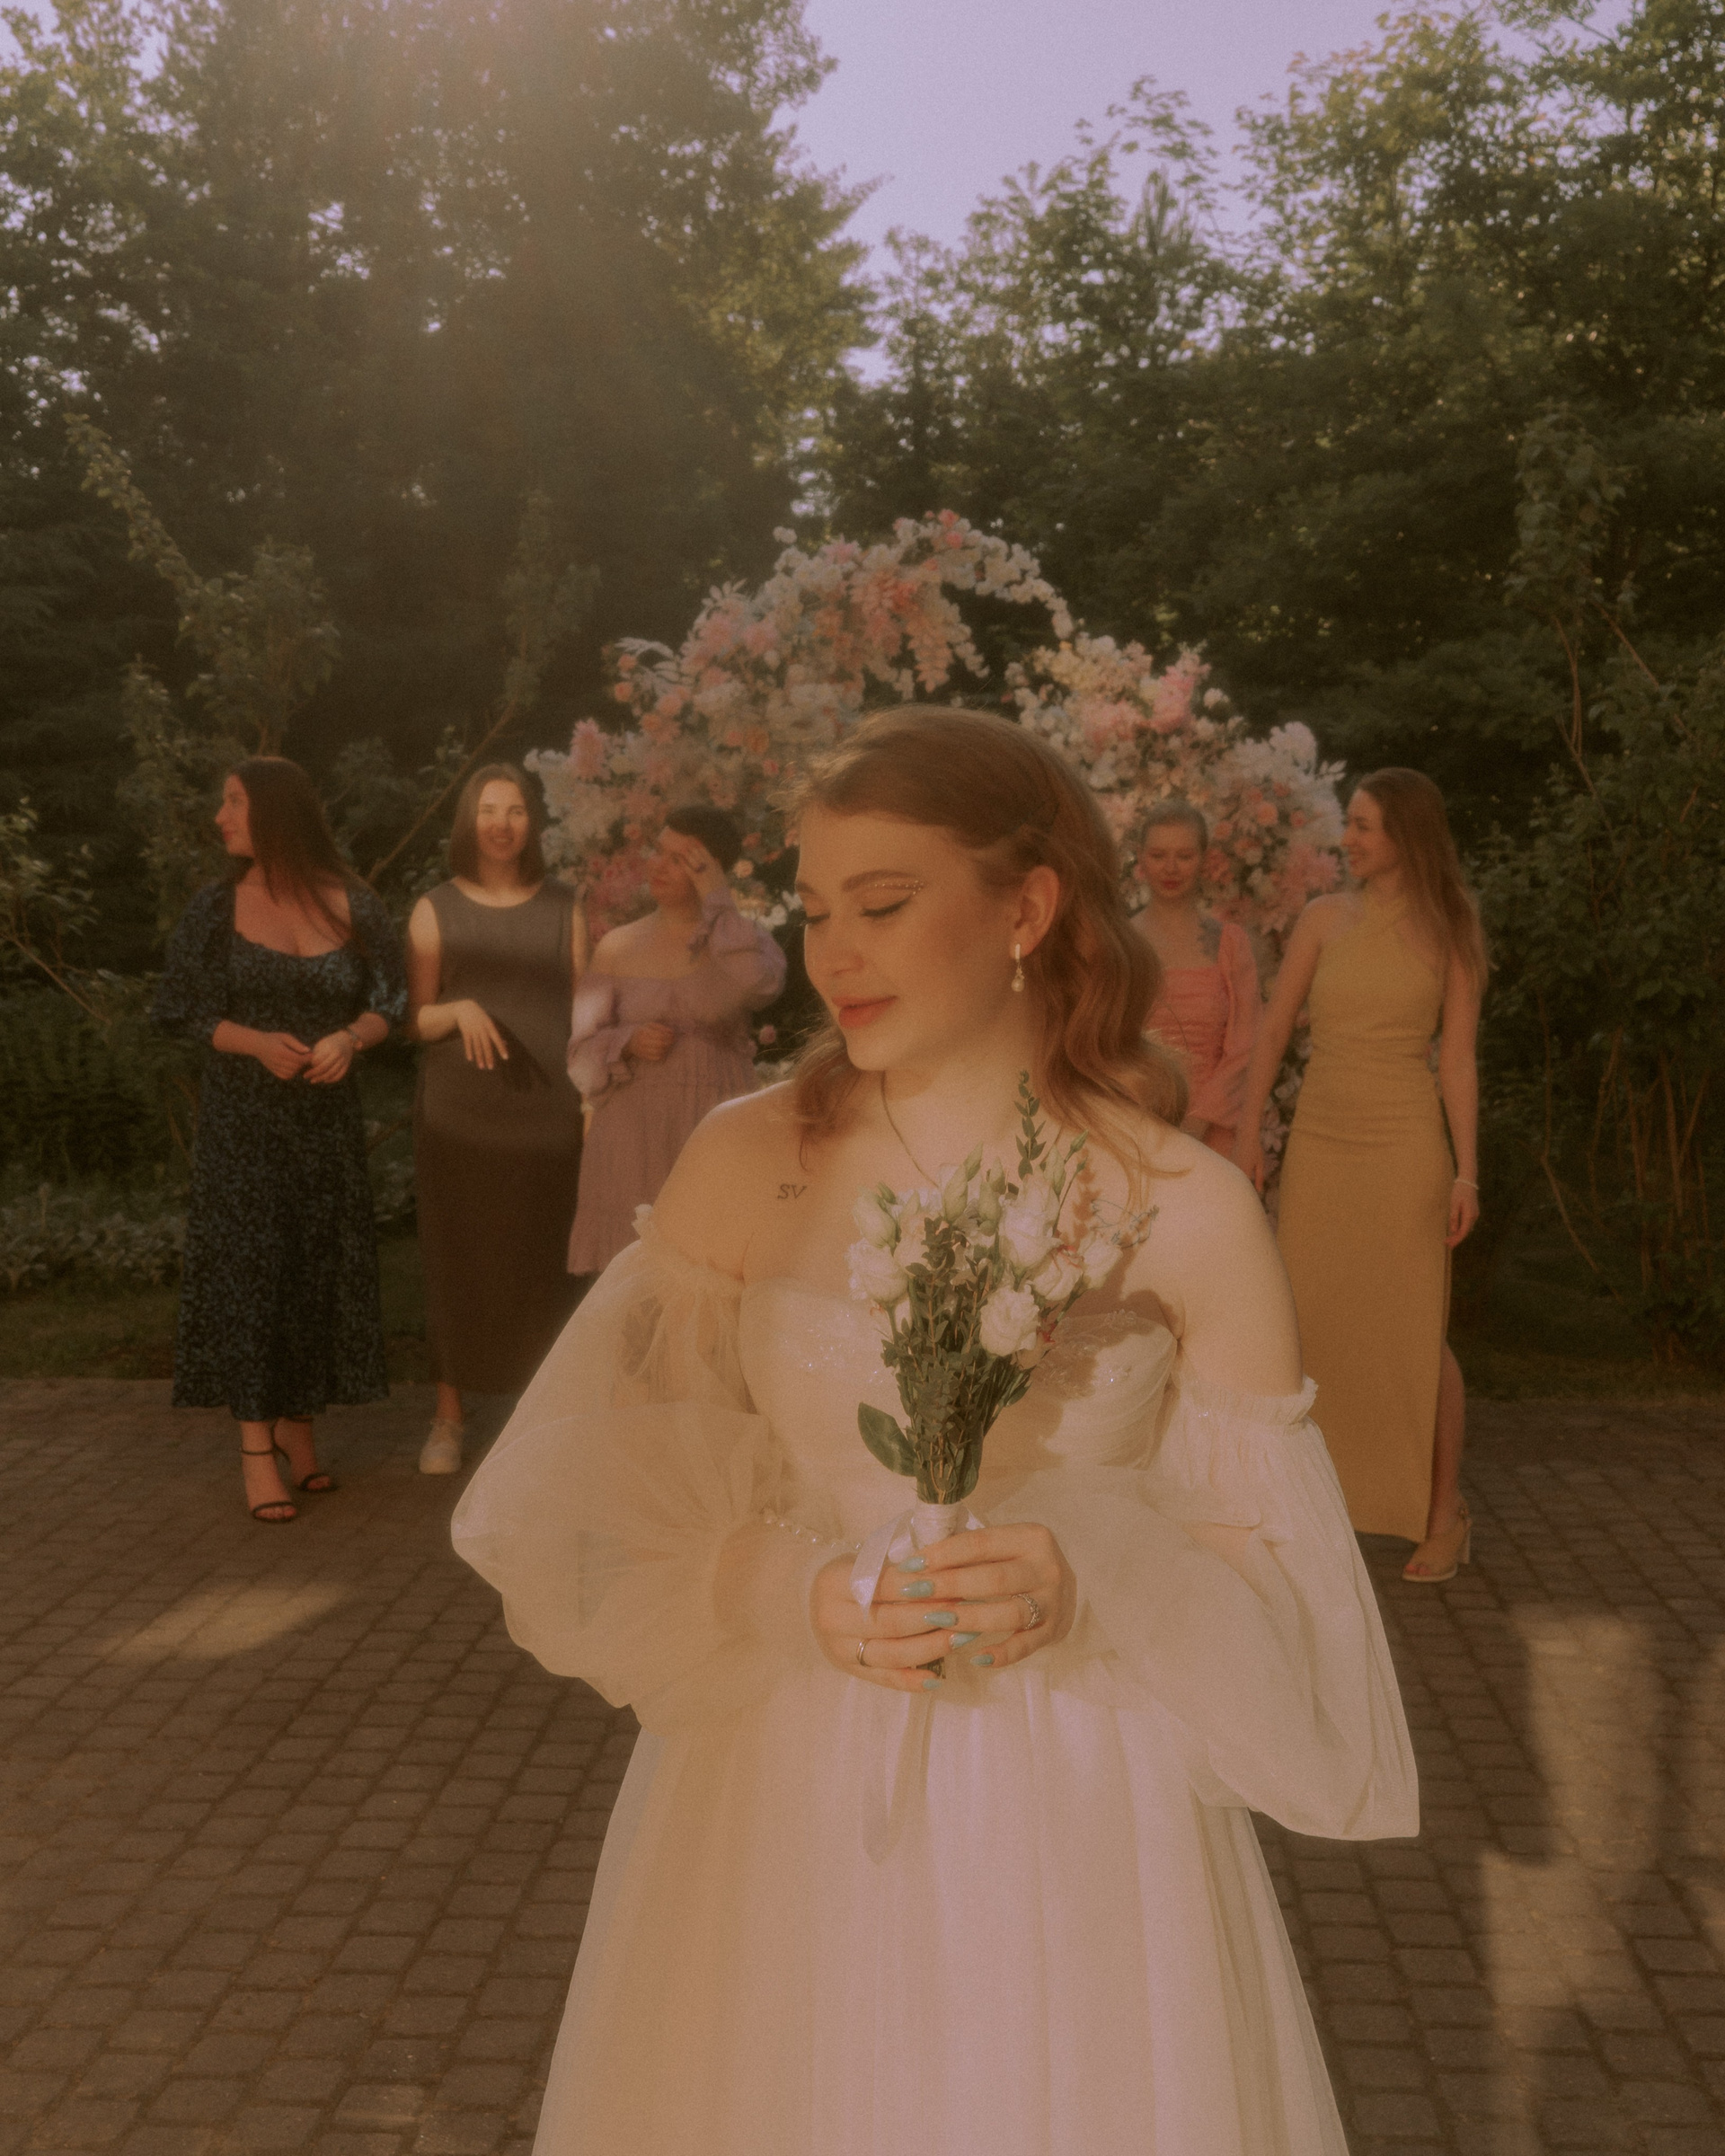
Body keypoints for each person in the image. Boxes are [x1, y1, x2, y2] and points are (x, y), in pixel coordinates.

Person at [452, 708, 1416, 2154]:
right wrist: (787, 1589)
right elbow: (592, 1506)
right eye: (816, 910)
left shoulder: (1187, 1210)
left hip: (1078, 1820)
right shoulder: (747, 1162)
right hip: (772, 1796)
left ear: (1026, 909)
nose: (835, 953)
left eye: (885, 904)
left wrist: (1095, 1576)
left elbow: (1289, 1611)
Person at [1234, 768, 1484, 1583]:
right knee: (1308, 1321)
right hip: (1321, 1142)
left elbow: (1457, 1061)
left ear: (1406, 834)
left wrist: (1468, 1174)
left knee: (1414, 1329)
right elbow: (1274, 1032)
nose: (1348, 840)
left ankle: (1443, 1517)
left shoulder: (1453, 927)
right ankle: (1306, 1508)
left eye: (1364, 826)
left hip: (1406, 1146)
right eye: (1351, 823)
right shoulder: (1323, 919)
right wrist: (1249, 1135)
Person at [151, 757, 406, 1524]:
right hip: (244, 1126)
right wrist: (255, 1042)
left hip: (324, 1127)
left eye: (234, 801)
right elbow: (177, 1009)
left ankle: (300, 1427)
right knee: (252, 1275)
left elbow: (392, 999)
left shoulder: (354, 903)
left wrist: (351, 1038)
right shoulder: (216, 907)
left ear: (276, 811)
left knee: (313, 1271)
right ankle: (256, 1449)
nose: (220, 816)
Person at [404, 764, 589, 1476]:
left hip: (549, 1116)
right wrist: (458, 1009)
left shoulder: (567, 908)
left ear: (531, 822)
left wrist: (593, 1101)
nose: (502, 824)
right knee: (457, 1260)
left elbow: (588, 1017)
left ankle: (542, 1419)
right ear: (468, 821)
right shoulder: (435, 909)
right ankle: (448, 1419)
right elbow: (415, 1019)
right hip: (461, 1119)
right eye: (488, 810)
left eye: (514, 810)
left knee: (545, 1265)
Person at [564, 805, 784, 1276]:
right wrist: (626, 1042)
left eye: (680, 859)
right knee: (631, 1288)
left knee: (714, 1281)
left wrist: (719, 900)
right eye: (658, 852)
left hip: (712, 1128)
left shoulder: (739, 944)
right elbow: (579, 1057)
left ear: (711, 871)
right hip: (632, 1137)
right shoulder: (617, 946)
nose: (659, 866)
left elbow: (760, 986)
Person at [1135, 799, 1261, 1157]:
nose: (1170, 868)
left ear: (1204, 859)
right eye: (1158, 855)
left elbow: (1247, 1045)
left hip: (1215, 1131)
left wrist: (1198, 1123)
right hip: (1135, 1124)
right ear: (1141, 858)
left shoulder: (1230, 943)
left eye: (1184, 856)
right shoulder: (1120, 942)